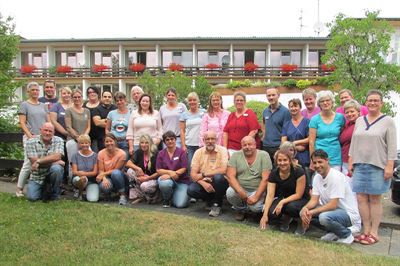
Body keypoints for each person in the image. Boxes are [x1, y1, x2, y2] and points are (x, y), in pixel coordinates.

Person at [348, 89, 397, 245]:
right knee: (361, 198)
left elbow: (392, 146)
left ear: (381, 103)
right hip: (359, 165)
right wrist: (351, 160)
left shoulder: (388, 121)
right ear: (366, 103)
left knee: (375, 199)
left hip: (378, 165)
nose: (373, 103)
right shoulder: (360, 120)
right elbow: (354, 142)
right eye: (370, 100)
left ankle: (374, 232)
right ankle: (365, 230)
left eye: (376, 100)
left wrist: (390, 166)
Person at [299, 149, 361, 244]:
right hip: (334, 213)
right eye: (314, 163)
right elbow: (314, 200)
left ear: (327, 160)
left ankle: (346, 235)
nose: (317, 165)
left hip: (348, 214)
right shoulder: (317, 177)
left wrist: (311, 212)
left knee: (324, 217)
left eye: (320, 162)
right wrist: (305, 208)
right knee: (304, 213)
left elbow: (333, 205)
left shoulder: (336, 177)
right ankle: (333, 232)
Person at [16, 81, 50, 197]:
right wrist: (30, 136)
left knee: (42, 161)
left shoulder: (43, 106)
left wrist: (48, 135)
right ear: (28, 92)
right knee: (28, 163)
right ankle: (19, 188)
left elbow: (48, 121)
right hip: (30, 137)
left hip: (43, 138)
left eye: (37, 90)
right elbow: (22, 122)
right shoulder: (24, 105)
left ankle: (39, 187)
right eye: (33, 90)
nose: (35, 92)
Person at [226, 136, 272, 221]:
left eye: (250, 144)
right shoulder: (236, 155)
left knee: (255, 208)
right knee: (230, 193)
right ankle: (241, 209)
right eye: (245, 145)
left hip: (257, 189)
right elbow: (230, 176)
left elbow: (266, 179)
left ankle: (256, 208)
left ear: (255, 145)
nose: (247, 147)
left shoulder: (264, 155)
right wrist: (240, 191)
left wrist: (256, 196)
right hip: (241, 188)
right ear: (241, 146)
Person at [260, 149, 307, 231]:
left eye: (285, 160)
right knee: (271, 212)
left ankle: (301, 221)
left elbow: (299, 194)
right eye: (279, 160)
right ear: (276, 161)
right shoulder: (274, 174)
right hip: (285, 198)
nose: (282, 163)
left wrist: (282, 202)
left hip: (300, 199)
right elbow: (270, 195)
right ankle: (286, 217)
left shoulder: (298, 171)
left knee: (291, 207)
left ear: (290, 160)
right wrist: (264, 215)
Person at [187, 131, 229, 217]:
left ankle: (217, 204)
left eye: (212, 139)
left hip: (220, 181)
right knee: (191, 190)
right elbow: (193, 174)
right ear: (203, 140)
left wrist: (204, 174)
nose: (210, 141)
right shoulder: (198, 152)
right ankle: (210, 200)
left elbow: (224, 170)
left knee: (218, 178)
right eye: (207, 139)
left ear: (216, 140)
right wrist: (203, 182)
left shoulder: (223, 150)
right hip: (204, 181)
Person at [25, 122, 64, 201]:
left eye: (50, 131)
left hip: (51, 172)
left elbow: (57, 156)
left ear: (54, 132)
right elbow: (33, 161)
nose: (47, 133)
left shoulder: (58, 140)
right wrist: (54, 161)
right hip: (37, 176)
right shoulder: (30, 141)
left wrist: (39, 161)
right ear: (40, 130)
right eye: (45, 130)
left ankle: (55, 194)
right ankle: (44, 189)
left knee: (57, 169)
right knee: (32, 198)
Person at [309, 90, 345, 170]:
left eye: (327, 100)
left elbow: (342, 136)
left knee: (336, 180)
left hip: (336, 156)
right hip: (319, 157)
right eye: (322, 101)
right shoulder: (314, 119)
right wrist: (312, 160)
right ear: (319, 104)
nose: (325, 103)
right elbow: (311, 142)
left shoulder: (340, 118)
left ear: (332, 102)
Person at [156, 131, 190, 208]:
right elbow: (158, 170)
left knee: (180, 205)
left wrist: (172, 175)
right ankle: (166, 199)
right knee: (165, 183)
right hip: (167, 179)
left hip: (182, 181)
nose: (170, 141)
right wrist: (171, 173)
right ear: (164, 142)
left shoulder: (181, 152)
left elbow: (184, 168)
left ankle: (176, 195)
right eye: (167, 140)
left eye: (172, 139)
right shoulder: (161, 153)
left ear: (175, 140)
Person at [223, 91, 260, 155]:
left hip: (245, 149)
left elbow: (254, 131)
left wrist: (245, 145)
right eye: (237, 100)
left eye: (241, 100)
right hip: (230, 149)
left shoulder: (250, 113)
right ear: (234, 102)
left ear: (245, 102)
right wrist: (225, 149)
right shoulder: (231, 115)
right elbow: (225, 132)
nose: (239, 102)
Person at [125, 134, 159, 204]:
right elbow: (128, 163)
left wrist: (147, 178)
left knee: (144, 186)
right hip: (142, 177)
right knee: (130, 171)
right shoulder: (139, 152)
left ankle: (152, 197)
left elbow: (159, 172)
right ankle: (140, 196)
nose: (144, 145)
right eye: (142, 142)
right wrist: (138, 168)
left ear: (150, 143)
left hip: (153, 179)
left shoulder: (156, 154)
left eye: (146, 143)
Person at [97, 133, 128, 205]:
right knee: (104, 187)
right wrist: (104, 178)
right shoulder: (101, 153)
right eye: (107, 141)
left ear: (115, 141)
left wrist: (103, 174)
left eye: (111, 141)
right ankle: (112, 193)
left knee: (115, 173)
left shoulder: (122, 153)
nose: (109, 143)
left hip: (119, 176)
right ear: (104, 143)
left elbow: (116, 169)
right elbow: (101, 170)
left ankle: (122, 195)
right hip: (107, 176)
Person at [261, 87, 291, 164]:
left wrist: (281, 149)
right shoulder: (265, 111)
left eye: (273, 95)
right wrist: (264, 135)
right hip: (266, 146)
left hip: (278, 147)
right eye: (269, 95)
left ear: (278, 95)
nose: (271, 97)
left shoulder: (285, 112)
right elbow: (263, 123)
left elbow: (286, 131)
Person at [65, 89, 91, 176]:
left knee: (88, 160)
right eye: (75, 97)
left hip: (85, 141)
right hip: (72, 140)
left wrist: (84, 138)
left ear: (82, 98)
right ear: (72, 98)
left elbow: (88, 126)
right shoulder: (69, 110)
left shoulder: (87, 111)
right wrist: (77, 138)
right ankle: (72, 181)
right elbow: (68, 127)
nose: (77, 99)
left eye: (79, 97)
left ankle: (85, 181)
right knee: (73, 162)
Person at [179, 92, 205, 174]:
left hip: (202, 144)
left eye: (194, 100)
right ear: (188, 102)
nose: (192, 102)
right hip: (189, 145)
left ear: (198, 101)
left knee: (202, 166)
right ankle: (192, 185)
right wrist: (183, 145)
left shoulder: (204, 112)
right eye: (190, 100)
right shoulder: (184, 115)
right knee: (191, 166)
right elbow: (182, 131)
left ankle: (202, 185)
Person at [282, 98, 310, 168]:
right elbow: (283, 142)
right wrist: (297, 147)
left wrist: (295, 143)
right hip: (291, 157)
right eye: (291, 107)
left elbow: (310, 139)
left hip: (304, 157)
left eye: (295, 106)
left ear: (300, 107)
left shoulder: (307, 122)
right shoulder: (287, 124)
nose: (293, 108)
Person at [70, 134, 98, 201]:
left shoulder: (95, 155)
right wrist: (81, 175)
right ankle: (80, 193)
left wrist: (84, 173)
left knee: (93, 199)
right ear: (79, 144)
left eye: (86, 143)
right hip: (78, 178)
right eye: (82, 143)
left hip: (91, 180)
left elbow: (95, 172)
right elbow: (74, 171)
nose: (84, 145)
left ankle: (86, 191)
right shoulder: (75, 155)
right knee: (82, 179)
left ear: (90, 143)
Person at [339, 99, 361, 176]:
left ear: (358, 112)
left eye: (352, 111)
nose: (349, 114)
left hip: (356, 162)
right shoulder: (346, 125)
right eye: (347, 112)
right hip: (344, 160)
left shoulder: (362, 124)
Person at [106, 92, 131, 156]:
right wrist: (110, 139)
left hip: (125, 142)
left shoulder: (131, 113)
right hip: (113, 142)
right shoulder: (111, 113)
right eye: (117, 101)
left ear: (125, 100)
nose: (119, 102)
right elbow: (107, 129)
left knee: (124, 160)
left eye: (121, 100)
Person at [83, 86, 101, 152]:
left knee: (95, 154)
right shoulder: (83, 105)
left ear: (97, 93)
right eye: (89, 92)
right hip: (86, 135)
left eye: (94, 92)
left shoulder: (101, 105)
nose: (92, 94)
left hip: (98, 136)